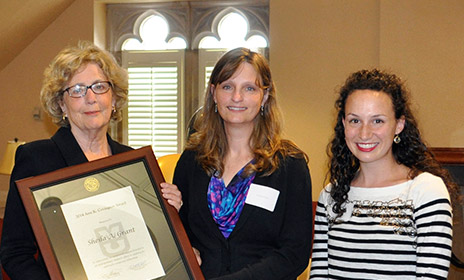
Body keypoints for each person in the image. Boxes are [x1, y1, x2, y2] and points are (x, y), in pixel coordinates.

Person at [0, 41, 181, 279]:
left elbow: (146, 242)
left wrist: (169, 213)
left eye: (99, 87)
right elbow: (14, 252)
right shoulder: (36, 158)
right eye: (77, 90)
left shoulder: (132, 162)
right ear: (61, 103)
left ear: (114, 99)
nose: (90, 98)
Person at [169, 47, 313, 279]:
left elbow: (294, 254)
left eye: (249, 88)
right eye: (228, 87)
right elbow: (183, 235)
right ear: (214, 93)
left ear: (264, 96)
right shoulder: (191, 161)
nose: (237, 97)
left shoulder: (290, 165)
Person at [310, 69, 458, 279]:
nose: (364, 133)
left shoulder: (425, 190)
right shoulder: (331, 195)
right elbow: (319, 275)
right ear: (343, 124)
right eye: (355, 120)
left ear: (399, 125)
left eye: (377, 121)